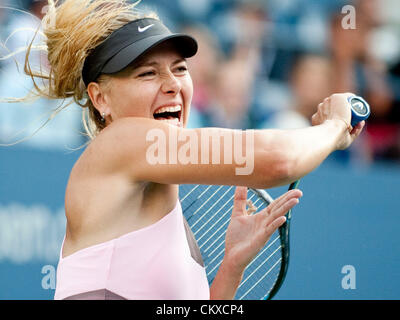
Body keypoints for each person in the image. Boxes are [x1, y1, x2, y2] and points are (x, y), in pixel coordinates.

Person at [5, 0, 364, 300]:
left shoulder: (170, 210)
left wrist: (230, 268)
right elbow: (279, 159)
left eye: (180, 69)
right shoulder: (120, 142)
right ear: (100, 98)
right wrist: (333, 127)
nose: (172, 84)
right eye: (147, 74)